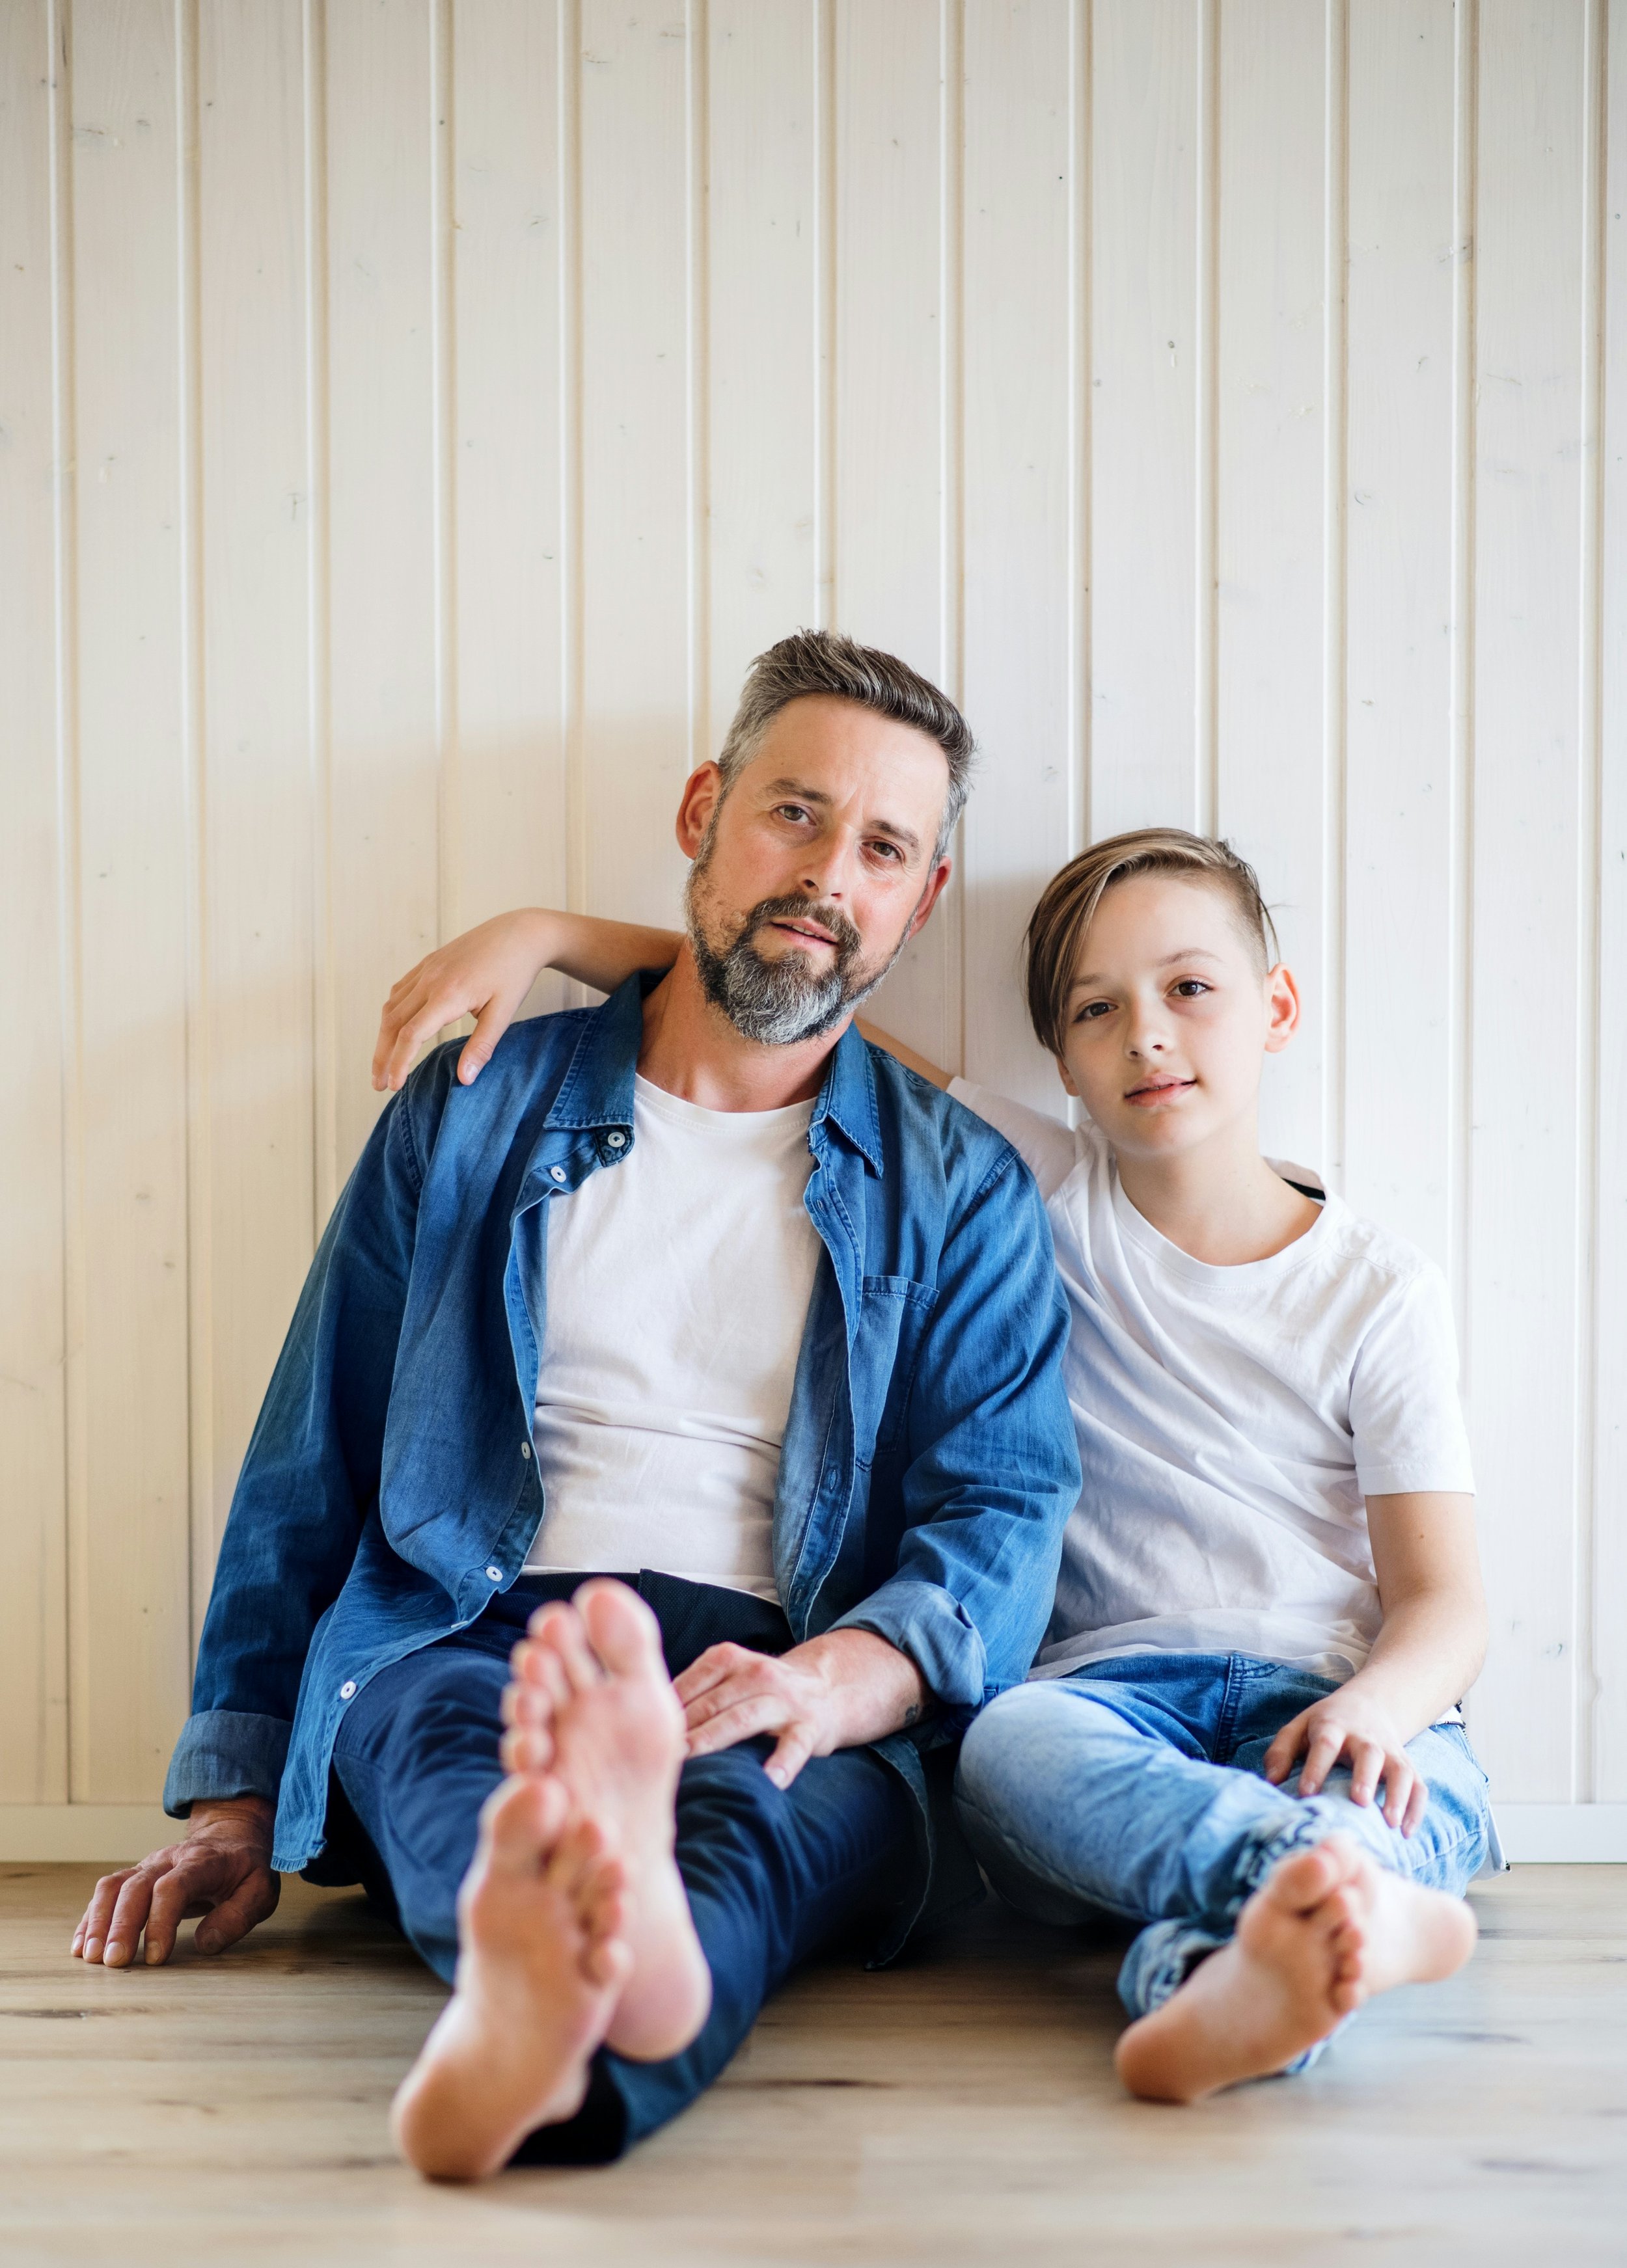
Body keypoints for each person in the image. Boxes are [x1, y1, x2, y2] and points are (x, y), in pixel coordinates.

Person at [70, 630, 1078, 2178]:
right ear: (701, 812)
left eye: (882, 847)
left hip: (783, 1650)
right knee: (453, 1770)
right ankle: (604, 1976)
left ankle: (550, 2014)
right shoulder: (477, 1110)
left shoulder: (962, 1190)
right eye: (792, 814)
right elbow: (313, 1452)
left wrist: (837, 1683)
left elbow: (1002, 1510)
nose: (827, 876)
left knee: (761, 1821)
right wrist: (230, 1798)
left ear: (920, 899)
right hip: (483, 1625)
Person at [377, 826, 1500, 2107]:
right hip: (1104, 1710)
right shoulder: (1029, 1190)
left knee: (1392, 1794)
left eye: (1188, 988)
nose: (1145, 1033)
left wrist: (1375, 1709)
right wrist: (552, 936)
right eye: (1096, 1009)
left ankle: (1237, 1968)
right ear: (1063, 1066)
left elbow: (1444, 1602)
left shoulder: (1378, 1291)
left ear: (1275, 1007)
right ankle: (1345, 1905)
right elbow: (795, 1006)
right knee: (1003, 1750)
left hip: (1334, 1703)